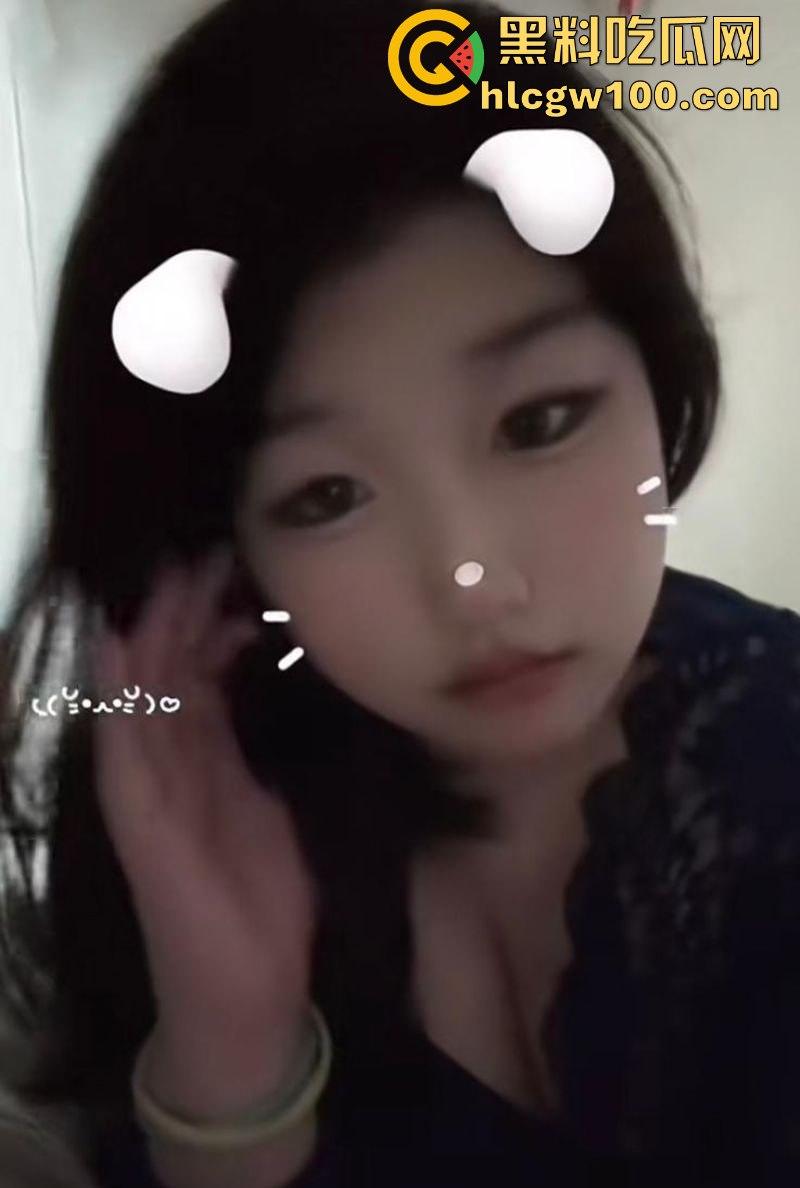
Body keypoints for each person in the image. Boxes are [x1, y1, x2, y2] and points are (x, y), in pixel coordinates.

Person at [0, 0, 799, 1186]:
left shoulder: (767, 771)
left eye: (538, 421)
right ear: (222, 547)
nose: (475, 583)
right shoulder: (208, 809)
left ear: (653, 365)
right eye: (325, 495)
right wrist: (230, 1051)